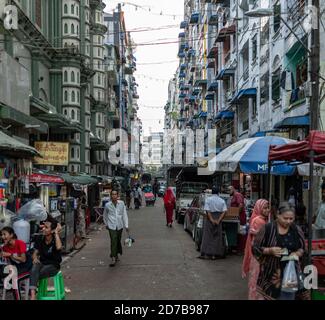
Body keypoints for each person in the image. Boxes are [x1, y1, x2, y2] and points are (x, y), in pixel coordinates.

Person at [253, 202, 310, 300]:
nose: (288, 221)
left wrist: (297, 253)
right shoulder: (268, 229)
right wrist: (269, 250)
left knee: (288, 297)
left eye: (291, 219)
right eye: (285, 218)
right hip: (272, 275)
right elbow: (255, 248)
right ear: (278, 215)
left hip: (291, 273)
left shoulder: (296, 229)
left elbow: (303, 248)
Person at [242, 199, 269, 300]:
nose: (267, 210)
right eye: (265, 208)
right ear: (259, 208)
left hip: (257, 254)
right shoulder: (259, 221)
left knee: (256, 278)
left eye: (268, 208)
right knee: (257, 278)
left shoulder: (261, 219)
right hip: (259, 255)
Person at [30, 216, 62, 300]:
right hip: (42, 263)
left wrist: (56, 233)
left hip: (53, 265)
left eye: (46, 227)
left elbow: (59, 247)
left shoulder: (56, 239)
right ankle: (33, 296)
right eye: (43, 226)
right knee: (34, 267)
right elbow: (35, 253)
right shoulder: (40, 238)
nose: (43, 229)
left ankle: (34, 292)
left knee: (36, 273)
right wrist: (34, 258)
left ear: (51, 230)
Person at [198, 186, 227, 260]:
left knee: (208, 236)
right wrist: (218, 220)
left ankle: (206, 254)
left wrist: (211, 220)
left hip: (209, 219)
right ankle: (215, 255)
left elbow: (208, 211)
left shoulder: (208, 200)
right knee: (217, 237)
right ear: (218, 193)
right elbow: (224, 211)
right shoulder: (222, 201)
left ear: (212, 192)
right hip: (218, 219)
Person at [103, 189, 129, 267]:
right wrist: (106, 224)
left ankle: (116, 254)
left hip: (119, 225)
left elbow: (124, 215)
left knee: (117, 240)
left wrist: (126, 225)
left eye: (115, 194)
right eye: (112, 194)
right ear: (111, 196)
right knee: (113, 240)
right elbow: (105, 215)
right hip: (111, 226)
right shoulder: (107, 205)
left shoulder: (121, 204)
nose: (114, 196)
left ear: (117, 196)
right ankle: (113, 257)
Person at [229, 186, 247, 253]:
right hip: (237, 217)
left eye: (229, 190)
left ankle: (241, 249)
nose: (228, 191)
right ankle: (237, 248)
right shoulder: (233, 196)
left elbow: (241, 205)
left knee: (241, 232)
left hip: (240, 217)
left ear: (233, 189)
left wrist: (236, 213)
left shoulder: (237, 195)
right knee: (238, 232)